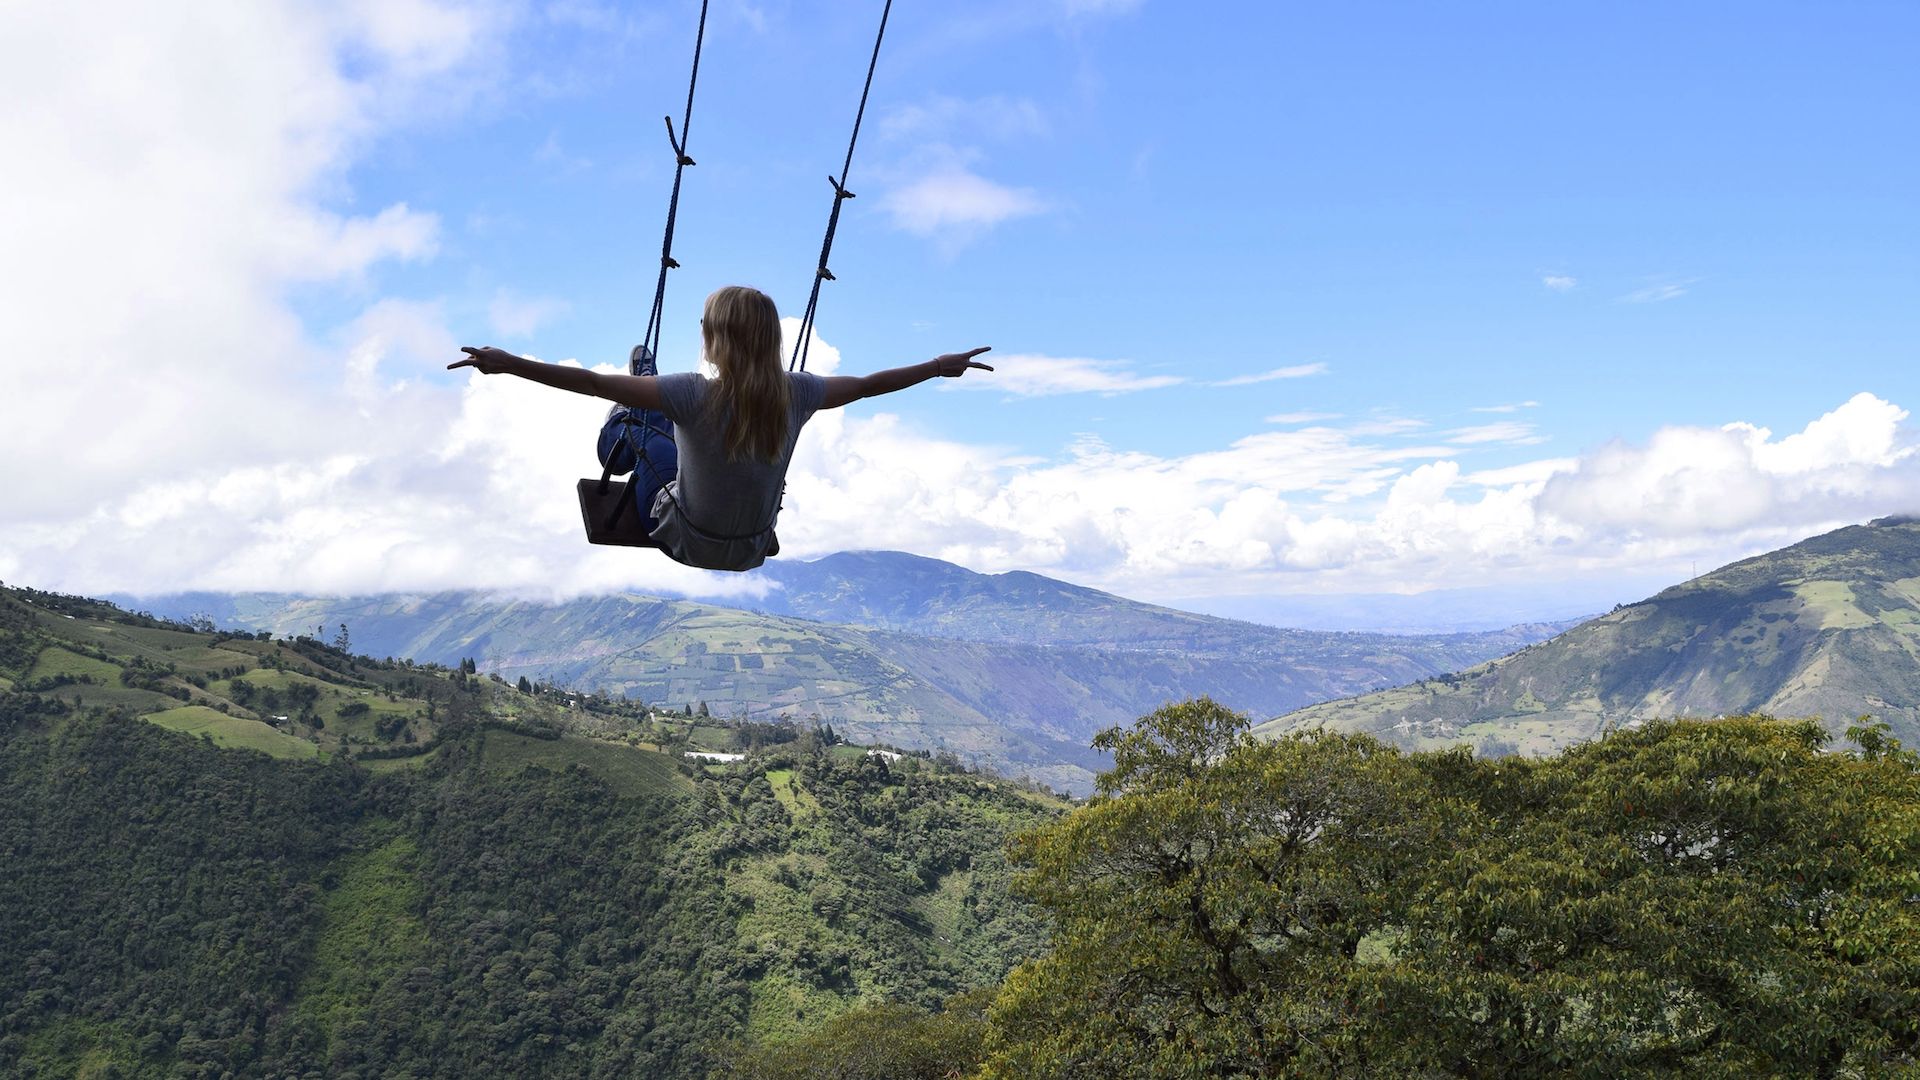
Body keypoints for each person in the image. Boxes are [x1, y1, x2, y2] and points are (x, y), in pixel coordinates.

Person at [448, 284, 992, 571]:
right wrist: (939, 367)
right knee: (660, 416)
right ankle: (643, 385)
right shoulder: (799, 392)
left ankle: (640, 388)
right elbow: (871, 384)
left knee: (633, 429)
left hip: (681, 534)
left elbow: (590, 382)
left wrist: (510, 363)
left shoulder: (694, 391)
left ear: (715, 340)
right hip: (752, 547)